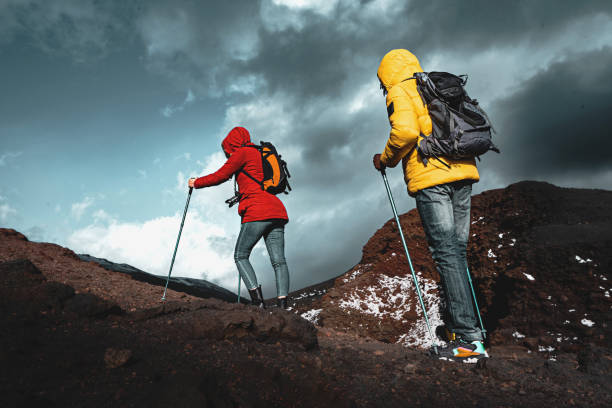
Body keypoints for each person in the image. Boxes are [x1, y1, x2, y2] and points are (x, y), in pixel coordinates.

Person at [372, 49, 487, 360]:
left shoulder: (400, 89)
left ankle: (468, 340)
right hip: (462, 172)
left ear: (385, 74)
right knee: (456, 253)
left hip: (431, 177)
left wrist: (385, 159)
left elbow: (406, 132)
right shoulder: (431, 84)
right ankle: (461, 327)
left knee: (446, 254)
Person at [188, 126, 290, 309]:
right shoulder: (259, 152)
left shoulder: (242, 153)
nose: (227, 153)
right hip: (277, 210)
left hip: (257, 210)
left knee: (240, 255)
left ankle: (258, 303)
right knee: (279, 261)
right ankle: (283, 305)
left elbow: (221, 175)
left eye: (227, 148)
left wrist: (196, 183)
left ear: (231, 143)